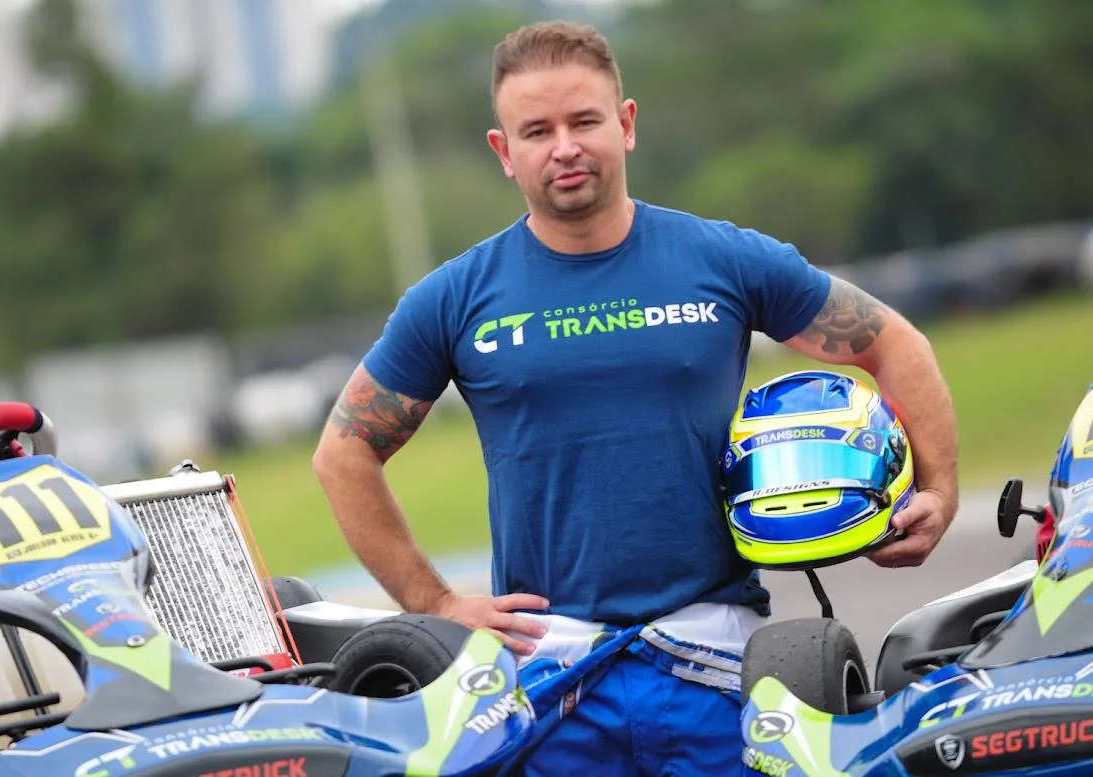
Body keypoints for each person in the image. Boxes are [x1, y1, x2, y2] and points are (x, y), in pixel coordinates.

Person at [312, 19, 959, 776]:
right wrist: (436, 602)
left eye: (585, 120)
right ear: (504, 152)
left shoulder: (720, 259)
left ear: (625, 124)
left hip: (718, 668)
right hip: (551, 684)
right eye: (537, 130)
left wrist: (938, 489)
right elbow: (345, 452)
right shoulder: (455, 298)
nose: (565, 146)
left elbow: (893, 342)